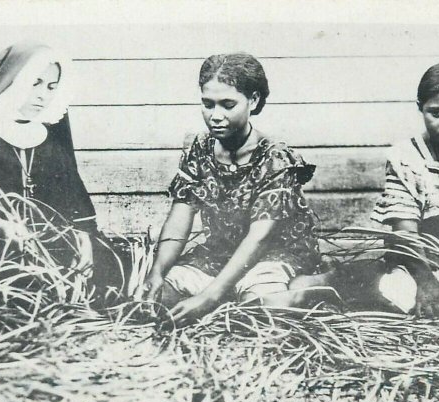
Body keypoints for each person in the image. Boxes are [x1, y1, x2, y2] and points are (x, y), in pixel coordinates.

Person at [278, 62, 439, 320]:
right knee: (393, 296)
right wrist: (426, 283)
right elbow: (405, 233)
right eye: (436, 113)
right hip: (422, 265)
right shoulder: (407, 158)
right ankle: (334, 280)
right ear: (421, 109)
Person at [133, 53, 322, 323]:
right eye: (208, 104)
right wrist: (158, 272)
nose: (216, 116)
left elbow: (259, 239)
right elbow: (180, 218)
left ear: (253, 101)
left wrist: (210, 296)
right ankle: (228, 291)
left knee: (259, 311)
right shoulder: (199, 148)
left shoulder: (276, 158)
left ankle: (318, 284)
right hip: (222, 253)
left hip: (273, 254)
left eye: (227, 105)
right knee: (157, 300)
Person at [0, 41, 124, 297]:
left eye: (52, 87)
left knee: (110, 264)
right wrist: (0, 225)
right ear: (11, 81)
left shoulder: (48, 132)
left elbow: (72, 196)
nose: (43, 95)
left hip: (49, 242)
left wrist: (83, 238)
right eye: (35, 83)